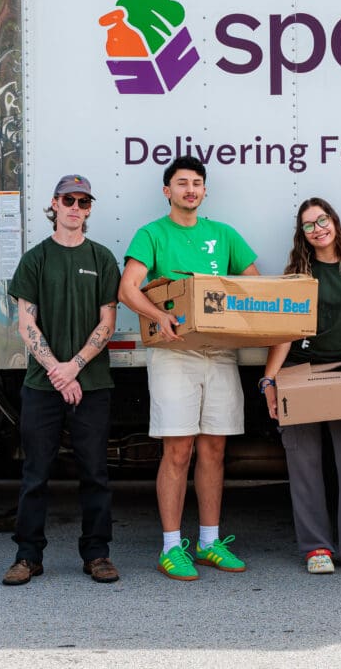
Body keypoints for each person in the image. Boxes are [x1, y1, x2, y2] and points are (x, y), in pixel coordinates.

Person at [118, 156, 260, 581]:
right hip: (174, 354)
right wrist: (159, 316)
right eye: (182, 183)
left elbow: (254, 285)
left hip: (219, 354)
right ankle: (170, 546)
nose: (191, 190)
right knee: (178, 449)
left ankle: (209, 542)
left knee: (214, 449)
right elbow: (128, 288)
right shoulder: (152, 235)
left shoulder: (224, 235)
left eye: (197, 183)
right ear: (167, 191)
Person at [4, 174, 122, 586]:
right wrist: (58, 371)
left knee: (95, 473)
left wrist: (74, 367)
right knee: (36, 473)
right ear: (54, 204)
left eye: (83, 201)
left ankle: (97, 554)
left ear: (89, 209)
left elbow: (108, 322)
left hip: (91, 384)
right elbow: (26, 323)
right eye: (68, 199)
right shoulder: (35, 259)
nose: (75, 207)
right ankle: (28, 556)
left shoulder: (103, 258)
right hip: (42, 385)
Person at [262, 198, 341, 576]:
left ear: (335, 221)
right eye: (308, 225)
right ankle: (315, 546)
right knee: (304, 465)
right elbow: (286, 332)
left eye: (323, 219)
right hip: (300, 373)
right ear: (301, 234)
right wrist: (269, 380)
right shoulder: (298, 273)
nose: (318, 228)